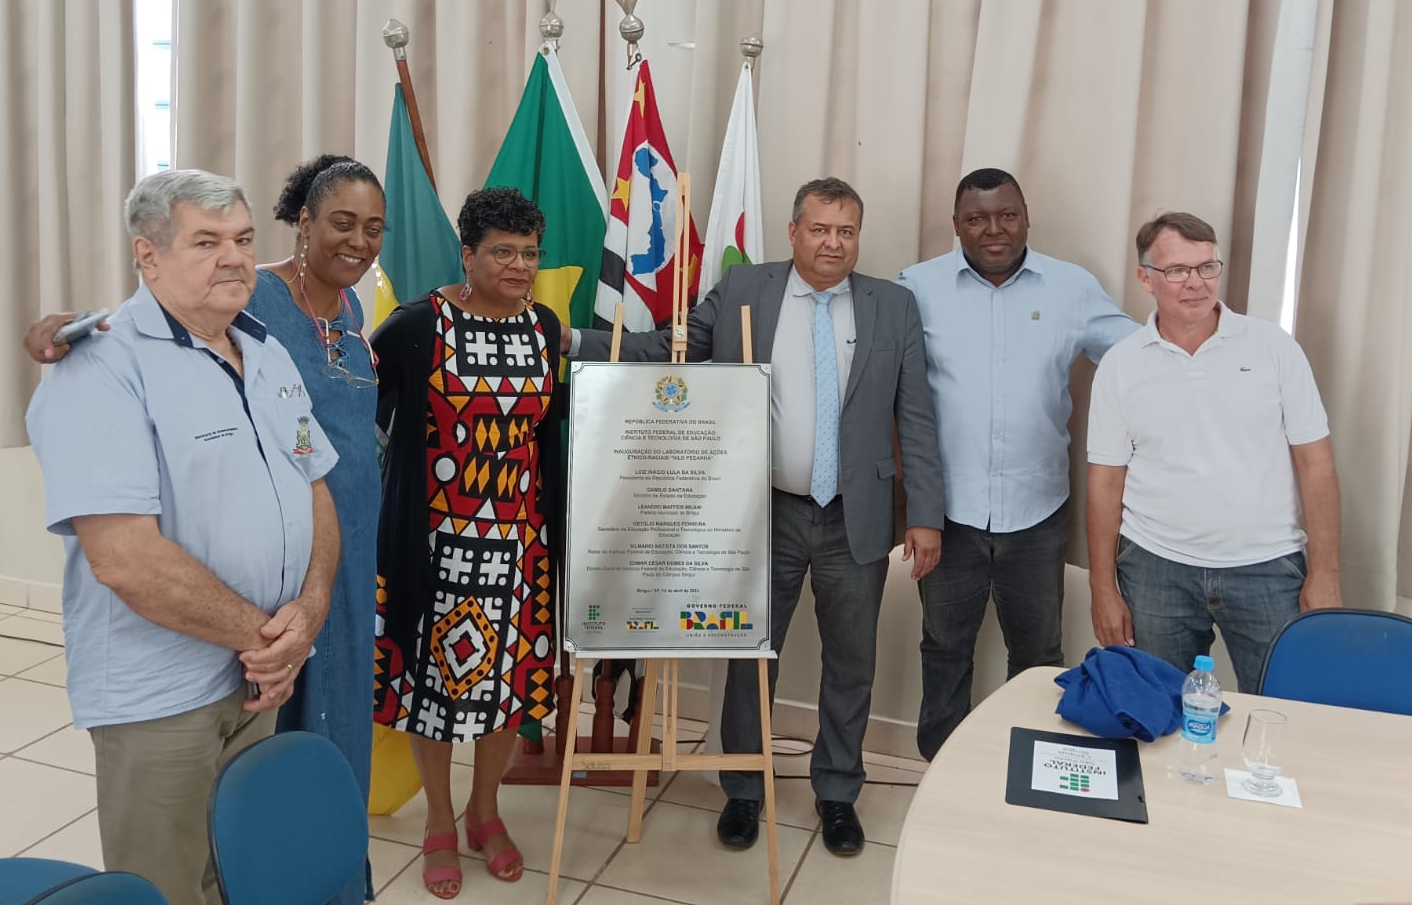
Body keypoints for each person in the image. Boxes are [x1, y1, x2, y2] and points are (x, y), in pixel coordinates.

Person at [25, 155, 388, 905]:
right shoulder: (100, 369)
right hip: (164, 693)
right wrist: (270, 638)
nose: (233, 257)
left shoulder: (263, 350)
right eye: (206, 241)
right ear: (147, 254)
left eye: (244, 238)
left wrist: (310, 609)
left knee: (244, 870)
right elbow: (126, 560)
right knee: (164, 884)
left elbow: (313, 483)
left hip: (258, 681)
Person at [571, 177, 944, 857]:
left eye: (847, 231)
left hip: (855, 517)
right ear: (795, 231)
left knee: (851, 661)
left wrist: (927, 516)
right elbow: (671, 350)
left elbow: (916, 416)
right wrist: (572, 341)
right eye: (821, 229)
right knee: (749, 655)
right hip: (763, 510)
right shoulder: (747, 291)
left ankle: (837, 793)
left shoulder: (893, 307)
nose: (834, 242)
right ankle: (743, 789)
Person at [897, 168, 1137, 760]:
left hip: (1038, 510)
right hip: (948, 513)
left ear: (1027, 217)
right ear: (956, 226)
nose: (994, 229)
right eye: (976, 219)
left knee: (1037, 654)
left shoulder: (1072, 287)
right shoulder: (915, 288)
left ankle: (1027, 768)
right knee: (945, 647)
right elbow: (885, 388)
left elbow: (1138, 361)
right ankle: (942, 768)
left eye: (1006, 215)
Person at [372, 187, 563, 900]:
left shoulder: (543, 328)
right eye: (503, 253)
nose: (519, 266)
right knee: (436, 687)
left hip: (520, 547)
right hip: (436, 546)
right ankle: (441, 820)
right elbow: (353, 398)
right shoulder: (419, 325)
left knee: (508, 687)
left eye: (530, 254)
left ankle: (487, 811)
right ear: (469, 254)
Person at [1086, 211, 1343, 692]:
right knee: (1159, 715)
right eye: (1178, 270)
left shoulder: (1273, 348)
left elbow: (1316, 464)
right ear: (1146, 278)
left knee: (1284, 711)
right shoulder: (1121, 365)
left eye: (1207, 267)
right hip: (1154, 567)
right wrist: (1103, 587)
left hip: (1268, 565)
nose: (1196, 283)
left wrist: (1325, 573)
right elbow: (1105, 481)